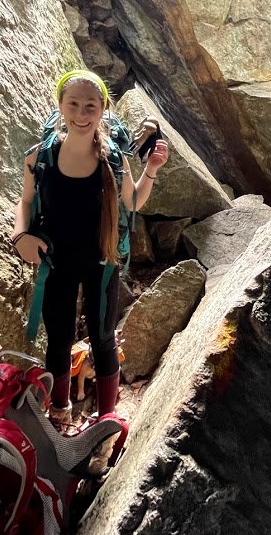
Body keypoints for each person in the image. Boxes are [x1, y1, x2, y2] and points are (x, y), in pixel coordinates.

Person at [12, 70, 168, 426]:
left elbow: (133, 202)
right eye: (74, 105)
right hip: (56, 262)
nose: (81, 114)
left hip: (103, 263)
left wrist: (153, 169)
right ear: (60, 106)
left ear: (102, 110)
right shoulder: (40, 158)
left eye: (90, 106)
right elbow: (23, 202)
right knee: (59, 338)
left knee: (102, 338)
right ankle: (60, 413)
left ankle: (106, 421)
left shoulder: (113, 159)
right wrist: (21, 236)